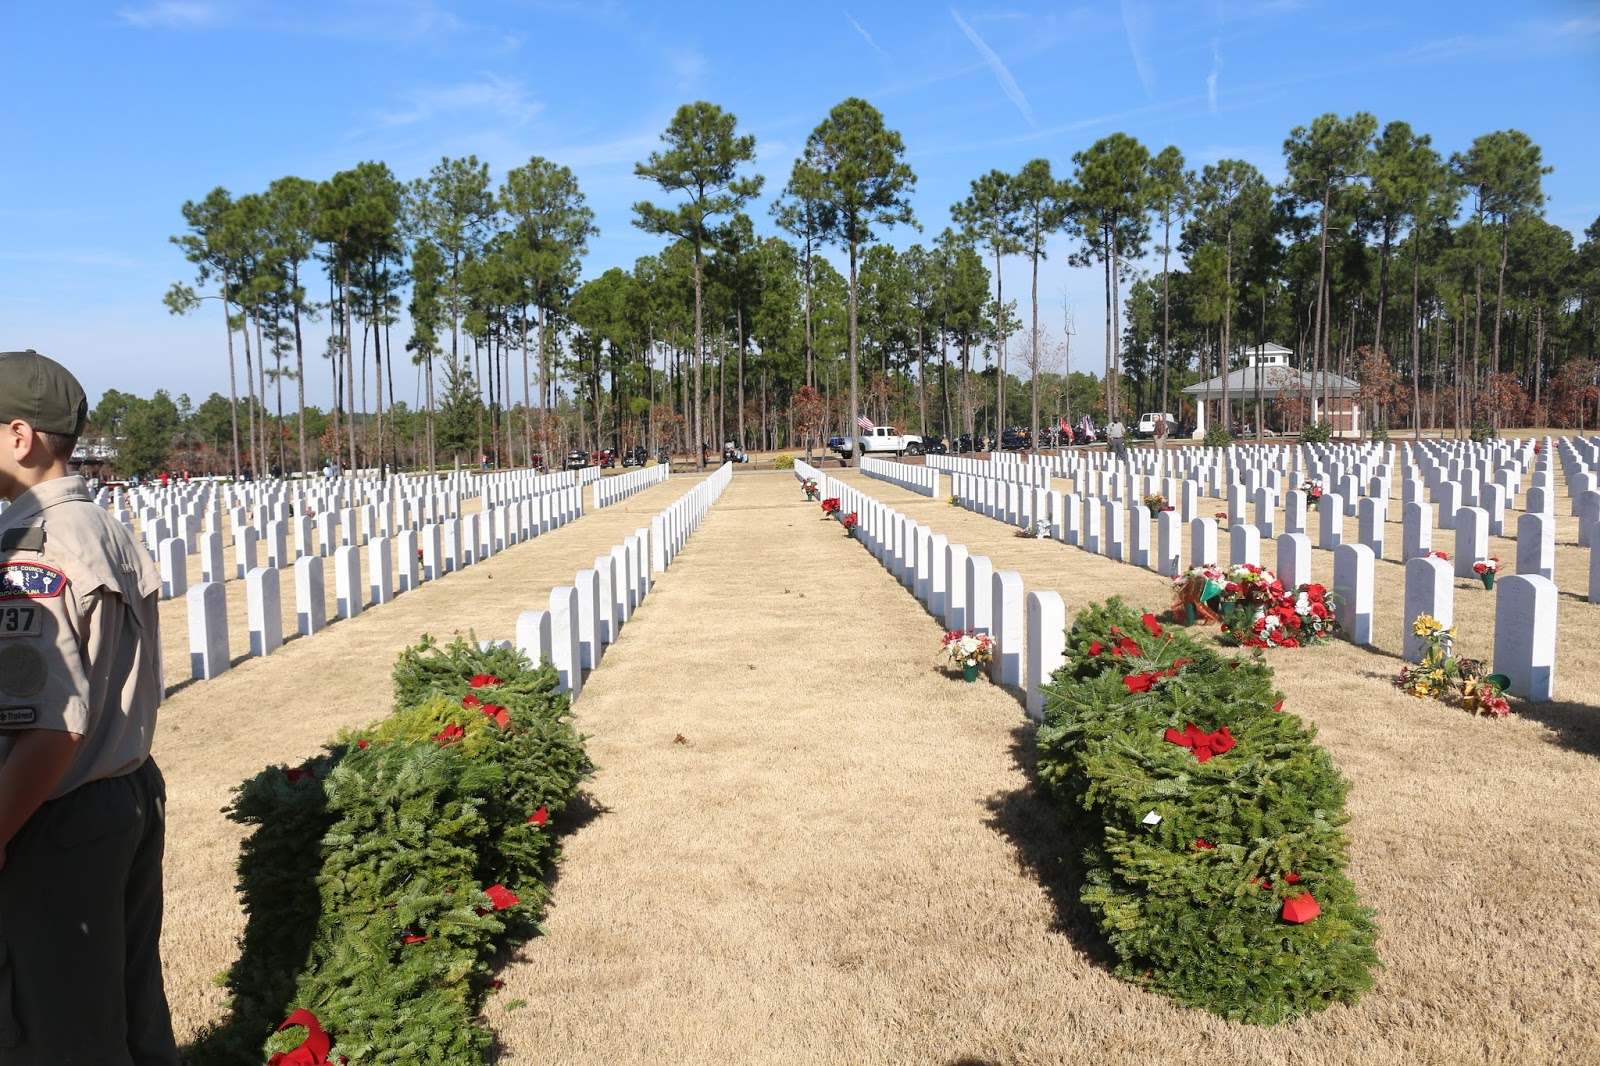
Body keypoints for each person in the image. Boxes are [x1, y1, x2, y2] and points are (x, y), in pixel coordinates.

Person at [0, 350, 178, 1064]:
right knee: (130, 1012)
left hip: (53, 813)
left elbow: (48, 727)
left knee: (55, 1031)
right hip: (126, 790)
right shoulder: (103, 526)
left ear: (19, 437)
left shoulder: (29, 551)